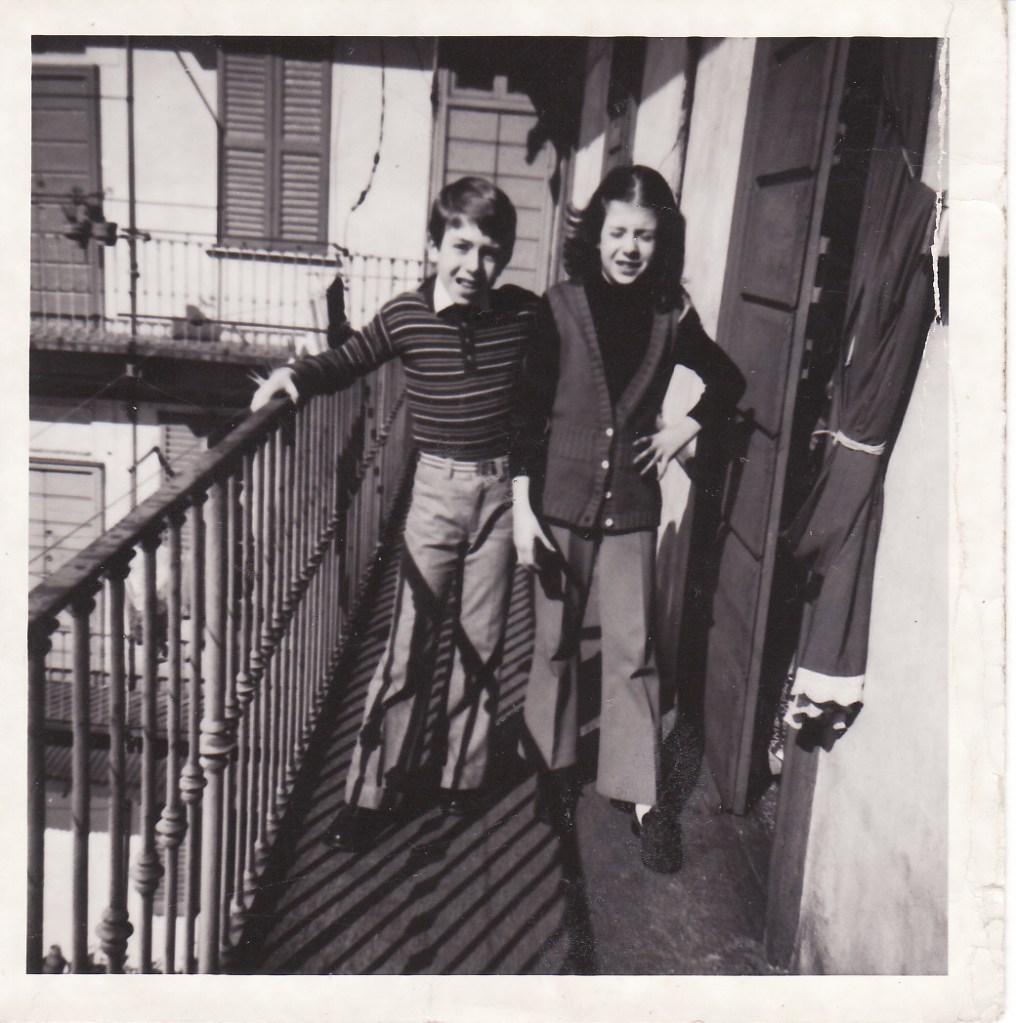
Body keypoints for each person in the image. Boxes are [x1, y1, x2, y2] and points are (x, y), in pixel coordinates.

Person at [251, 177, 539, 853]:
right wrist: (296, 377)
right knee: (408, 644)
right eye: (461, 247)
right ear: (435, 246)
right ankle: (372, 790)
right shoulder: (406, 316)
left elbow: (566, 361)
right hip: (434, 492)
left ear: (503, 258)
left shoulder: (523, 315)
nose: (474, 265)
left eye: (490, 252)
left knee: (482, 642)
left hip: (500, 494)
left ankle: (461, 776)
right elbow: (349, 359)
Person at [510, 165, 744, 873]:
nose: (629, 248)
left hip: (633, 511)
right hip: (558, 505)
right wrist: (522, 510)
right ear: (596, 233)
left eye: (644, 235)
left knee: (633, 651)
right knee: (554, 643)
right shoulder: (559, 306)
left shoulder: (673, 316)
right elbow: (525, 414)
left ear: (660, 241)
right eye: (618, 232)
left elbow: (727, 380)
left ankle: (639, 795)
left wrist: (683, 429)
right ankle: (553, 771)